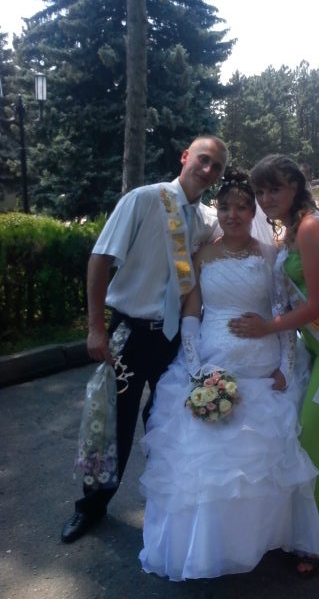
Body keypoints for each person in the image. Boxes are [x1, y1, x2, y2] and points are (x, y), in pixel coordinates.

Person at [139, 170, 319, 581]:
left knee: (264, 461)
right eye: (225, 207)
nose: (233, 215)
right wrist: (196, 370)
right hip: (211, 365)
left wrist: (286, 366)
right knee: (205, 462)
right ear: (217, 211)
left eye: (242, 207)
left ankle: (262, 537)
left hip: (262, 370)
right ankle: (208, 547)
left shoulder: (271, 255)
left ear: (253, 212)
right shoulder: (202, 256)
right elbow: (192, 316)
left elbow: (282, 315)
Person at [61, 135, 229, 544]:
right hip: (131, 334)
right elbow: (100, 259)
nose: (208, 170)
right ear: (185, 157)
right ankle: (92, 506)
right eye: (203, 159)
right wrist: (96, 327)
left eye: (217, 167)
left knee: (168, 421)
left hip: (174, 339)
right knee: (113, 425)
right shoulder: (144, 199)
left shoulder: (208, 220)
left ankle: (164, 502)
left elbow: (237, 240)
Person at [229, 154, 319, 576]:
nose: (265, 198)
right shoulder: (292, 228)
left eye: (273, 189)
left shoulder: (311, 229)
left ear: (295, 186)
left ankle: (309, 540)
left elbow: (318, 305)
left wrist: (266, 328)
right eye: (259, 191)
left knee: (310, 435)